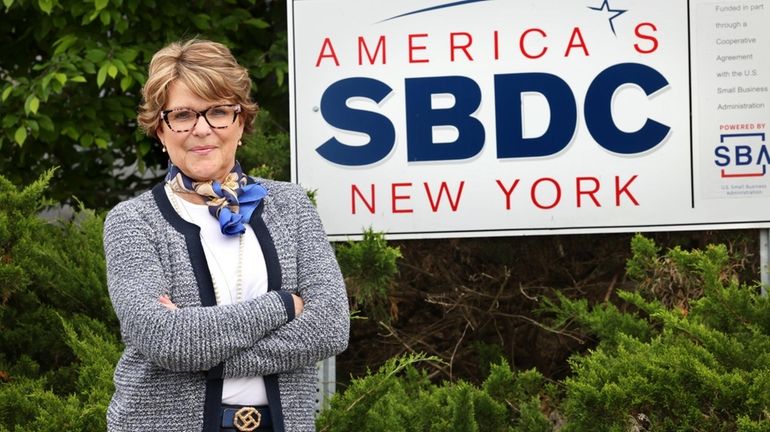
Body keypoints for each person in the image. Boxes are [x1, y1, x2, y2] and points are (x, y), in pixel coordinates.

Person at [103, 38, 349, 432]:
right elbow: (163, 339)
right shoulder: (133, 222)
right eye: (182, 115)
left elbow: (331, 326)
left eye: (218, 111)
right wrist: (284, 305)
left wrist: (198, 350)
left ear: (241, 122)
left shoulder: (291, 205)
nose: (201, 129)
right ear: (161, 130)